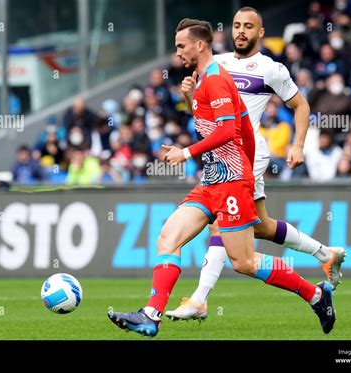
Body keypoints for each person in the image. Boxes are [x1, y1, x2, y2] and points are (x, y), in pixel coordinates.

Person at [108, 18, 336, 337]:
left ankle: (315, 295)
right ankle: (150, 315)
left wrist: (186, 153)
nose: (177, 53)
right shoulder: (203, 80)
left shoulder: (215, 79)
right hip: (212, 180)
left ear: (200, 45)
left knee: (243, 262)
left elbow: (228, 131)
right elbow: (228, 126)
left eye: (181, 46)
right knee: (168, 237)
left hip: (231, 182)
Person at [166, 7, 345, 321]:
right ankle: (324, 253)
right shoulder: (215, 62)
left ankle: (199, 299)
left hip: (248, 153)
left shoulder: (271, 69)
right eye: (236, 25)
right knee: (259, 225)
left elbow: (301, 106)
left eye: (249, 26)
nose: (240, 31)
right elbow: (201, 110)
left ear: (261, 32)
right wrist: (189, 95)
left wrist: (298, 144)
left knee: (221, 222)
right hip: (221, 154)